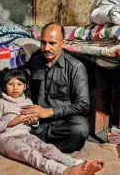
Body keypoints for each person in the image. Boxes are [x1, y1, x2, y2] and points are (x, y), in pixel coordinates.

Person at [0, 68, 104, 175]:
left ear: (25, 86)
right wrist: (12, 122)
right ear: (4, 86)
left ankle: (72, 163)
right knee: (31, 154)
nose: (15, 88)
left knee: (46, 148)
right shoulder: (1, 103)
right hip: (5, 138)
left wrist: (34, 121)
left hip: (25, 134)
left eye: (19, 84)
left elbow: (32, 123)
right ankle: (63, 171)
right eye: (11, 84)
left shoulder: (27, 101)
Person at [20, 22, 90, 153]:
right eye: (43, 42)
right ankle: (41, 144)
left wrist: (48, 112)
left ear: (63, 43)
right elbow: (21, 85)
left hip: (62, 121)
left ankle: (38, 145)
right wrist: (31, 112)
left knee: (80, 130)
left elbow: (83, 105)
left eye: (52, 43)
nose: (46, 48)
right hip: (37, 121)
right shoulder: (35, 60)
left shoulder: (75, 67)